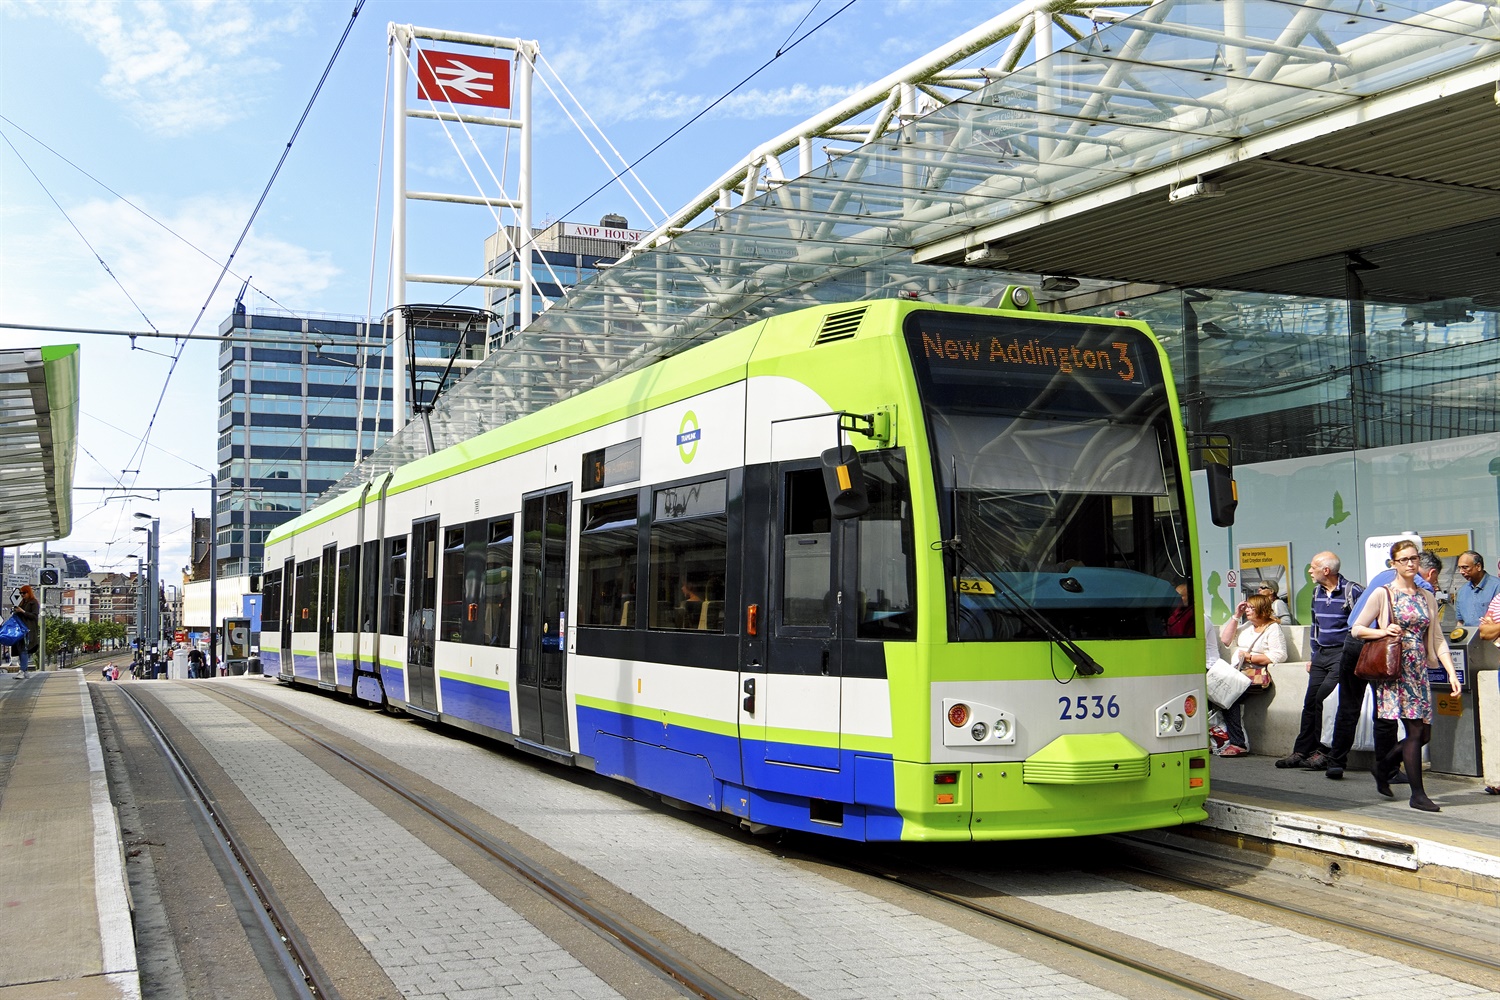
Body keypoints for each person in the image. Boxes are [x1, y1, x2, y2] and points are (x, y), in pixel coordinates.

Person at [1350, 539, 1461, 812]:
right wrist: (1382, 631)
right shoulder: (1383, 594)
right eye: (1404, 560)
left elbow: (1436, 638)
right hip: (1396, 669)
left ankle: (1383, 766)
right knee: (1414, 731)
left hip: (1419, 669)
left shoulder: (1427, 597)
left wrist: (1451, 672)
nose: (1411, 564)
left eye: (1414, 559)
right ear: (1394, 564)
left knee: (1424, 734)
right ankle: (1418, 794)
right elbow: (1357, 629)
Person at [1322, 546, 1437, 782]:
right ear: (1430, 573)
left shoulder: (1383, 577)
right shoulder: (1419, 588)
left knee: (1348, 705)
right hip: (1383, 650)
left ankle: (1336, 763)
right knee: (1385, 712)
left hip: (1353, 643)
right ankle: (1389, 770)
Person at [1276, 552, 1360, 770]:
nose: (1309, 571)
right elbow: (1315, 625)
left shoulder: (1353, 590)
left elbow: (1360, 624)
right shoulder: (1316, 592)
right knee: (1310, 701)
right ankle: (1302, 751)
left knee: (1326, 699)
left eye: (1313, 567)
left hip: (1343, 653)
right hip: (1321, 654)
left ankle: (1324, 752)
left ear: (1326, 570)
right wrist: (1313, 655)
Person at [1212, 592, 1287, 757]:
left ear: (1262, 609)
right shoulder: (1247, 626)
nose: (1248, 610)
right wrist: (1236, 615)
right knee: (1214, 696)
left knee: (1229, 699)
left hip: (1253, 675)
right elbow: (1226, 639)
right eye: (1247, 607)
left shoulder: (1272, 628)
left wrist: (1250, 657)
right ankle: (1222, 739)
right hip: (1237, 673)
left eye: (1251, 608)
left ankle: (1238, 743)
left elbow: (1280, 655)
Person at [1454, 551, 1500, 627]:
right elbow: (1460, 622)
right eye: (1459, 568)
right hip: (1468, 636)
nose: (1461, 572)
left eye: (1465, 567)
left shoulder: (1497, 586)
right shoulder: (1462, 591)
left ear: (1478, 566)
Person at [12, 584, 40, 680]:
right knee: (21, 650)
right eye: (20, 593)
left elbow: (34, 616)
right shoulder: (22, 602)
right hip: (21, 629)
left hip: (28, 630)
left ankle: (22, 671)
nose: (22, 595)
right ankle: (25, 671)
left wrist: (23, 611)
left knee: (24, 650)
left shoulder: (34, 603)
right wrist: (16, 611)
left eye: (24, 593)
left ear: (29, 592)